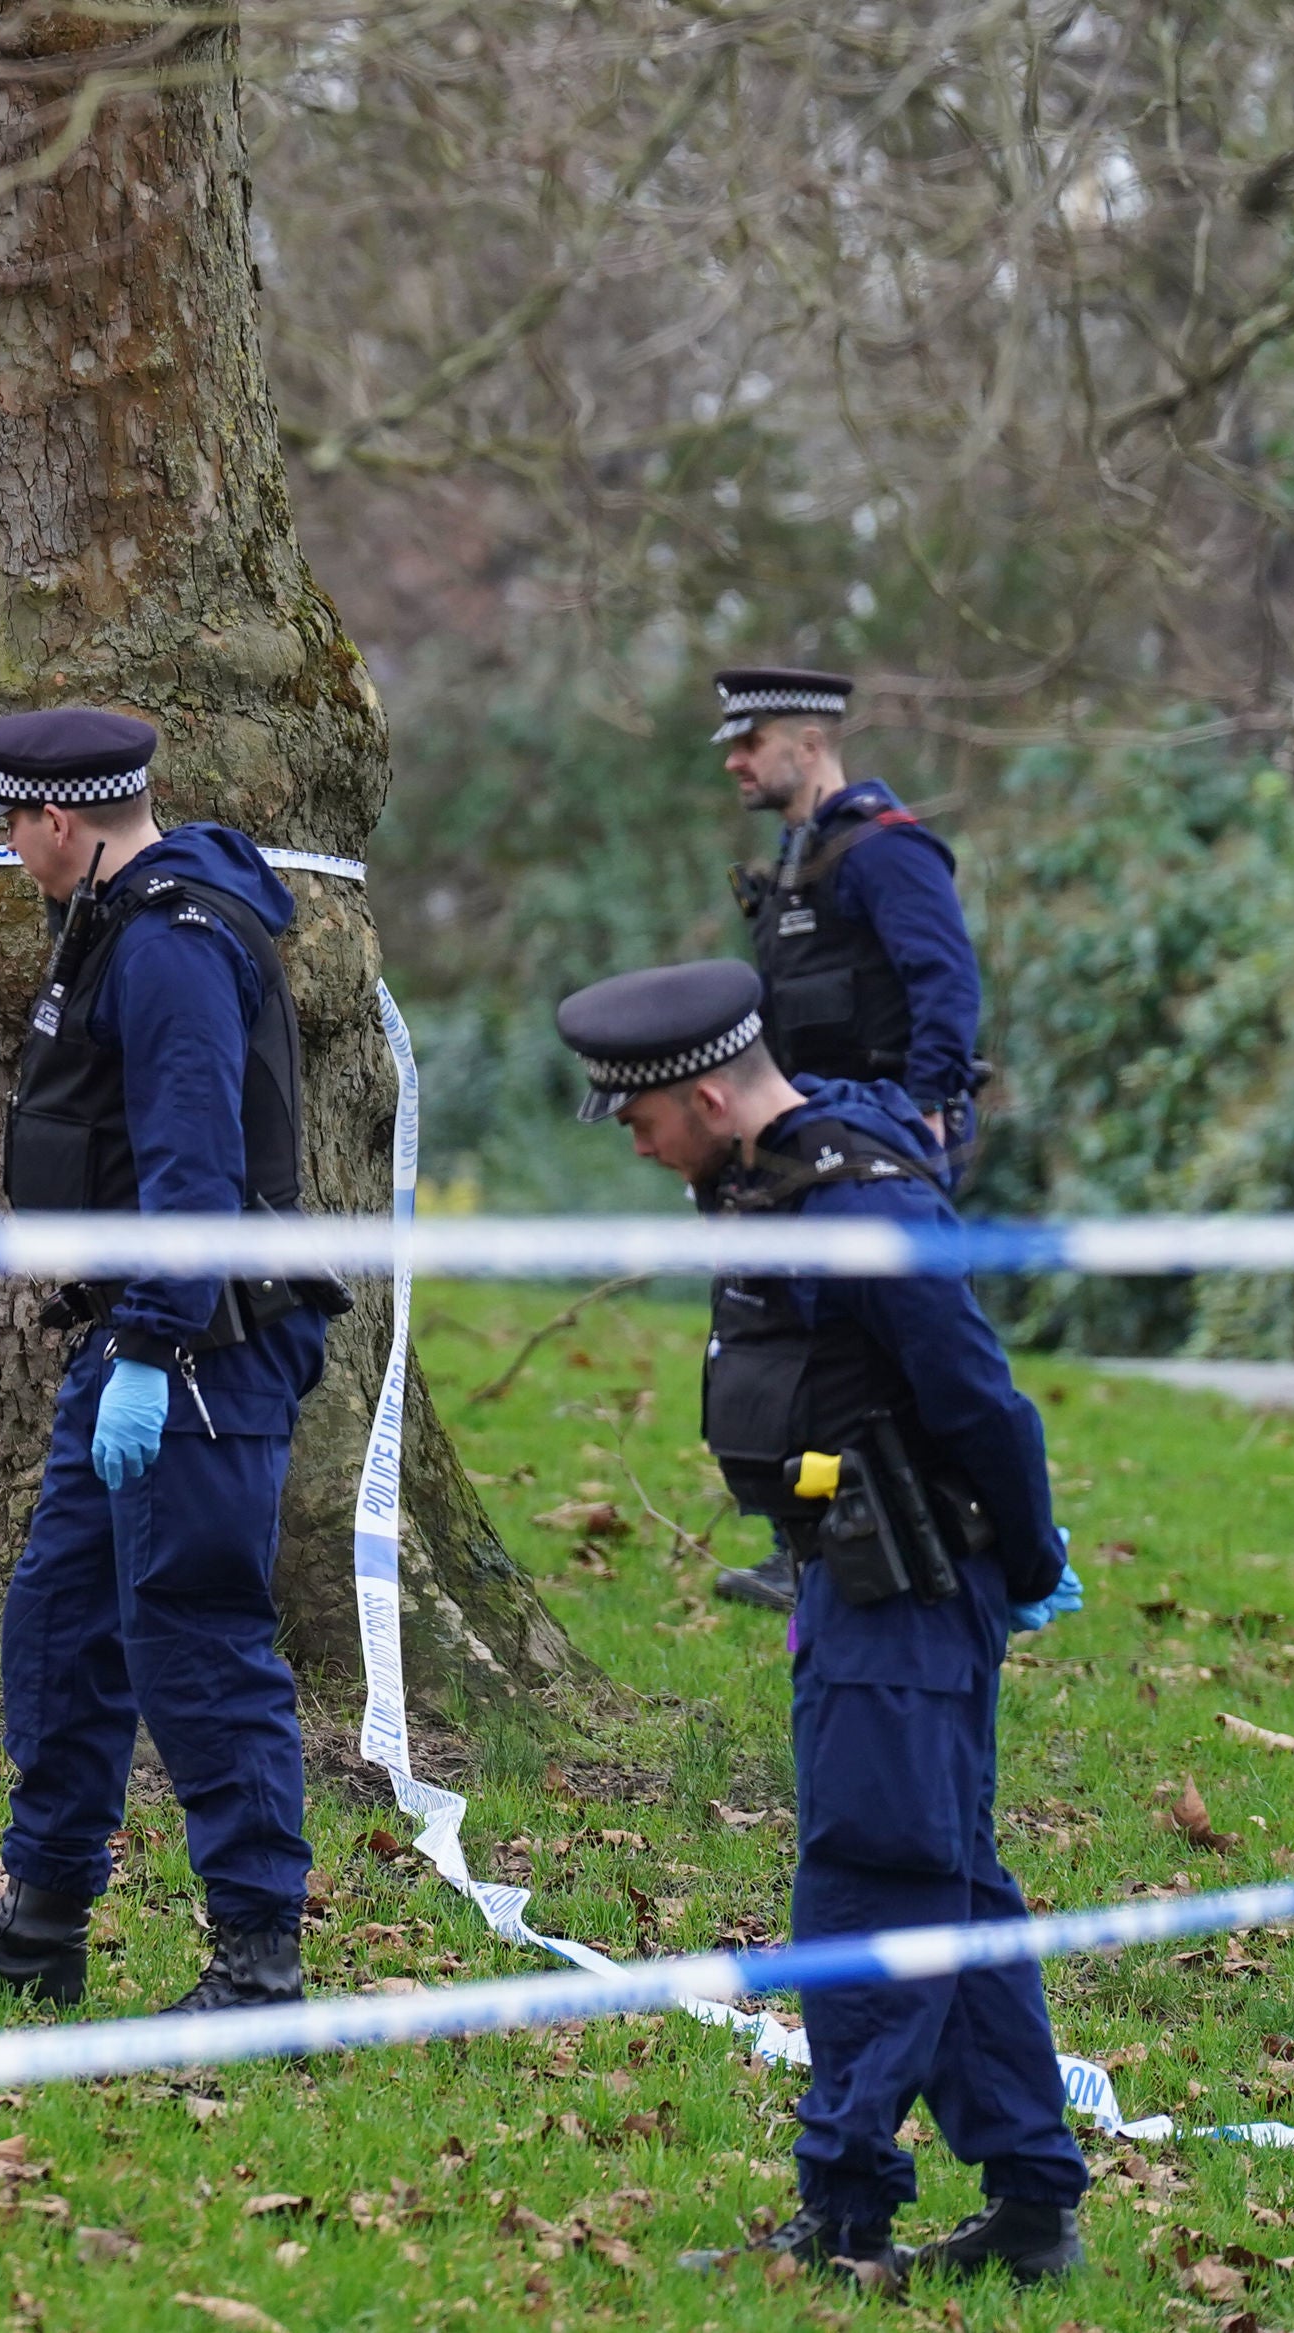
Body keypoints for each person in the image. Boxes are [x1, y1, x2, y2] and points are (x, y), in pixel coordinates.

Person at [556, 958, 1087, 2293]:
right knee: (952, 1889)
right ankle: (1034, 2207)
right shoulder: (770, 1180)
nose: (631, 1141)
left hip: (908, 1597)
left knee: (870, 1892)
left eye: (637, 1116)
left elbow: (980, 1396)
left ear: (702, 1092)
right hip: (855, 1586)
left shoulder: (853, 1198)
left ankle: (844, 2207)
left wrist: (1024, 1559)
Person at [0, 708, 342, 2015]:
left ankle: (258, 1963)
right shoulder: (125, 921)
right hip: (136, 1338)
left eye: (16, 826)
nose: (13, 851)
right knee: (61, 1625)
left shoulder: (172, 947)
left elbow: (195, 1172)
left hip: (196, 1345)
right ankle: (42, 1921)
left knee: (195, 1638)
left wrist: (149, 1345)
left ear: (59, 821)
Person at [713, 666, 992, 1615]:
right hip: (815, 1139)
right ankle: (816, 1541)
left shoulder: (882, 851)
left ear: (810, 742)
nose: (736, 763)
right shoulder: (801, 858)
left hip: (884, 1142)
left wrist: (924, 1111)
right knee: (805, 1346)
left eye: (750, 744)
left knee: (880, 1353)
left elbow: (947, 987)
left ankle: (941, 1529)